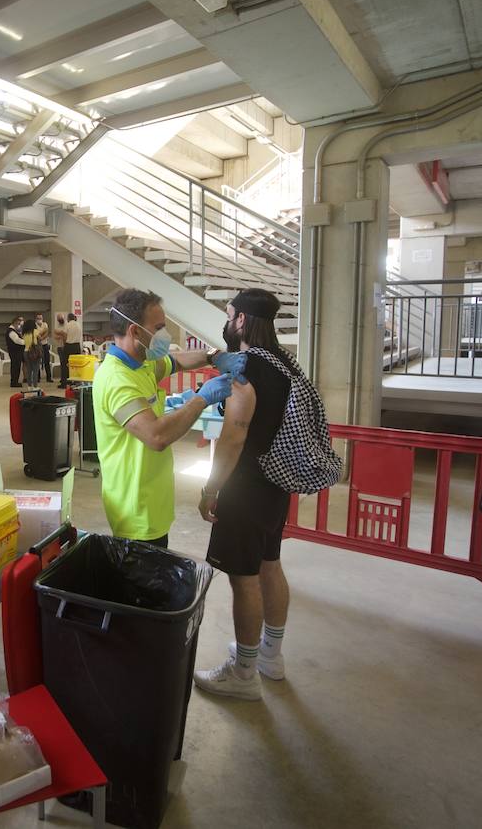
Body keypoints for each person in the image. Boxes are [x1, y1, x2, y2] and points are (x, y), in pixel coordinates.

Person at [193, 290, 300, 700]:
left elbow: (234, 438)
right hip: (276, 483)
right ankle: (270, 656)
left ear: (240, 321)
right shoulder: (285, 362)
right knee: (270, 564)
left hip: (245, 487)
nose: (227, 319)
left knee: (244, 579)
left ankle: (243, 674)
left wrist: (211, 488)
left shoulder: (246, 368)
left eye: (229, 313)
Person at [92, 289, 241, 547]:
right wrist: (202, 398)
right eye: (159, 327)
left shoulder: (141, 363)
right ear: (135, 331)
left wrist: (211, 357)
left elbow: (175, 362)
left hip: (153, 499)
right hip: (135, 510)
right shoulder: (118, 380)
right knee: (144, 583)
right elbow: (157, 436)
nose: (165, 335)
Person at [59, 312, 83, 388]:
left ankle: (64, 383)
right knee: (76, 365)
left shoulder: (68, 325)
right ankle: (75, 382)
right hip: (77, 346)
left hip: (69, 346)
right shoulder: (78, 325)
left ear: (68, 318)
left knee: (65, 364)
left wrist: (64, 344)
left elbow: (65, 336)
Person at [6, 316, 26, 387]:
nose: (19, 326)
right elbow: (17, 341)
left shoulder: (14, 331)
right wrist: (26, 342)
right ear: (14, 323)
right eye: (18, 324)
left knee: (17, 367)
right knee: (15, 367)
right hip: (15, 352)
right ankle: (14, 382)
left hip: (16, 352)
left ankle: (15, 381)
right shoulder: (11, 331)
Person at [34, 313, 51, 384]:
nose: (39, 320)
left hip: (45, 345)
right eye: (38, 318)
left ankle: (49, 377)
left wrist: (41, 337)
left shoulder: (45, 324)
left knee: (47, 361)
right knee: (37, 361)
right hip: (37, 345)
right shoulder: (34, 325)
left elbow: (46, 333)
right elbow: (36, 335)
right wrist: (41, 334)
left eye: (41, 318)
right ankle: (37, 378)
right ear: (36, 319)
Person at [24, 320, 42, 386]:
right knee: (35, 370)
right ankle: (35, 386)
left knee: (29, 370)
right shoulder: (36, 331)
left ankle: (29, 386)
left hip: (26, 352)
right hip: (34, 352)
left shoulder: (24, 333)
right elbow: (40, 339)